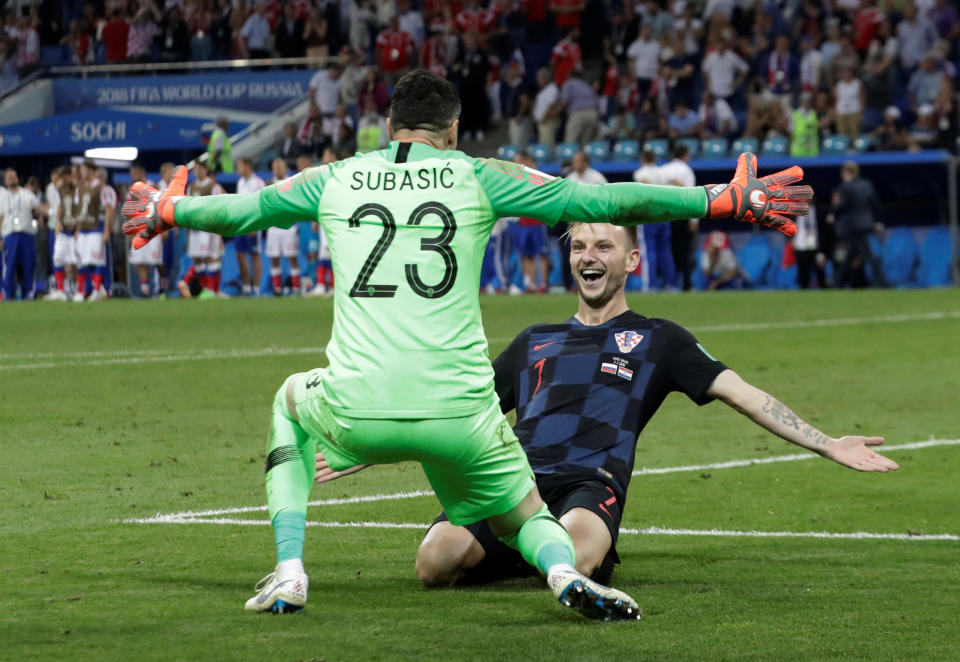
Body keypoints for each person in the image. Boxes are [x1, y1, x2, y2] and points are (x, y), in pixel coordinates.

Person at [121, 70, 811, 620]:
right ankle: (565, 573)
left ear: (387, 126)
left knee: (288, 400)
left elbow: (240, 213)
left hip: (359, 407)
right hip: (462, 411)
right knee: (522, 513)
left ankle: (292, 570)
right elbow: (599, 203)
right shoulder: (478, 174)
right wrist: (717, 200)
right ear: (452, 130)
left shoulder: (336, 177)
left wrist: (167, 210)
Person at [308, 221, 897, 591]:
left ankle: (548, 553)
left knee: (579, 549)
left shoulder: (660, 338)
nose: (590, 255)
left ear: (631, 261)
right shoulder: (535, 339)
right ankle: (534, 550)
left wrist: (827, 442)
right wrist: (365, 450)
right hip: (514, 479)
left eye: (605, 246)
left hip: (591, 482)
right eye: (580, 245)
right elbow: (455, 414)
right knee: (432, 564)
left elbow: (744, 395)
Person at [831, 161, 885, 288]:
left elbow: (842, 205)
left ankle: (882, 282)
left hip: (851, 226)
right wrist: (879, 221)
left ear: (845, 173)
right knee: (851, 254)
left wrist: (833, 212)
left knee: (867, 255)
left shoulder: (845, 187)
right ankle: (837, 282)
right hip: (866, 225)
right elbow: (875, 204)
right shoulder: (867, 185)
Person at [632, 150, 675, 291]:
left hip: (648, 214)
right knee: (665, 251)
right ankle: (670, 284)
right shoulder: (663, 172)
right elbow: (677, 184)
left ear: (642, 158)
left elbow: (646, 185)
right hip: (665, 213)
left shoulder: (640, 172)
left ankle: (651, 285)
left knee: (649, 251)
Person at [1, 167, 42, 300]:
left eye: (14, 176)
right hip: (9, 234)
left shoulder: (27, 194)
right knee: (9, 266)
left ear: (18, 178)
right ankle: (8, 294)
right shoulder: (2, 196)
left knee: (29, 264)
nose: (13, 178)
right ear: (6, 181)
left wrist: (39, 216)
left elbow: (37, 209)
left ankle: (29, 293)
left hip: (26, 233)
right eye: (10, 177)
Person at [73, 161, 113, 302]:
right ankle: (81, 290)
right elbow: (79, 210)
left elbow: (109, 210)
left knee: (97, 260)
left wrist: (107, 230)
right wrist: (77, 229)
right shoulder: (80, 188)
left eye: (83, 169)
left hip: (97, 227)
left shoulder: (102, 188)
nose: (81, 172)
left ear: (91, 170)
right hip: (83, 228)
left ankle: (96, 291)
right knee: (82, 261)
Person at [660, 144, 697, 291]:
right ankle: (686, 284)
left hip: (663, 214)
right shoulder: (687, 171)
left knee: (666, 250)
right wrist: (694, 220)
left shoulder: (663, 170)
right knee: (685, 251)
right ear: (685, 155)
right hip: (682, 215)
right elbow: (691, 197)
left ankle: (667, 283)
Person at [185, 162, 225, 296]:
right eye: (195, 169)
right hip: (194, 228)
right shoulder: (191, 187)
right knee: (197, 258)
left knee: (211, 257)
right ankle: (204, 289)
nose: (197, 171)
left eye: (200, 169)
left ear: (206, 169)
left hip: (209, 228)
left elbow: (221, 205)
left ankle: (211, 290)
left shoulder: (213, 186)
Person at [127, 163, 165, 298]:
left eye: (133, 173)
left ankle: (160, 288)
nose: (132, 176)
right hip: (139, 228)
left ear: (140, 173)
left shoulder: (153, 186)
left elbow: (161, 207)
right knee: (140, 261)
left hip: (154, 228)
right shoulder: (131, 190)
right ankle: (146, 290)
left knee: (156, 261)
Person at [265, 158, 301, 296]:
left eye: (280, 167)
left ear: (285, 168)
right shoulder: (269, 184)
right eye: (275, 167)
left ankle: (296, 289)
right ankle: (277, 288)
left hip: (288, 227)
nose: (278, 170)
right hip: (273, 228)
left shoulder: (292, 182)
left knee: (292, 258)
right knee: (274, 258)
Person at [235, 158, 265, 296]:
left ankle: (256, 289)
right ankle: (246, 287)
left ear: (247, 166)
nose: (237, 169)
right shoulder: (240, 182)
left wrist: (257, 225)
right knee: (240, 255)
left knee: (254, 255)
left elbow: (261, 205)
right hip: (240, 224)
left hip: (252, 223)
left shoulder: (258, 183)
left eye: (239, 166)